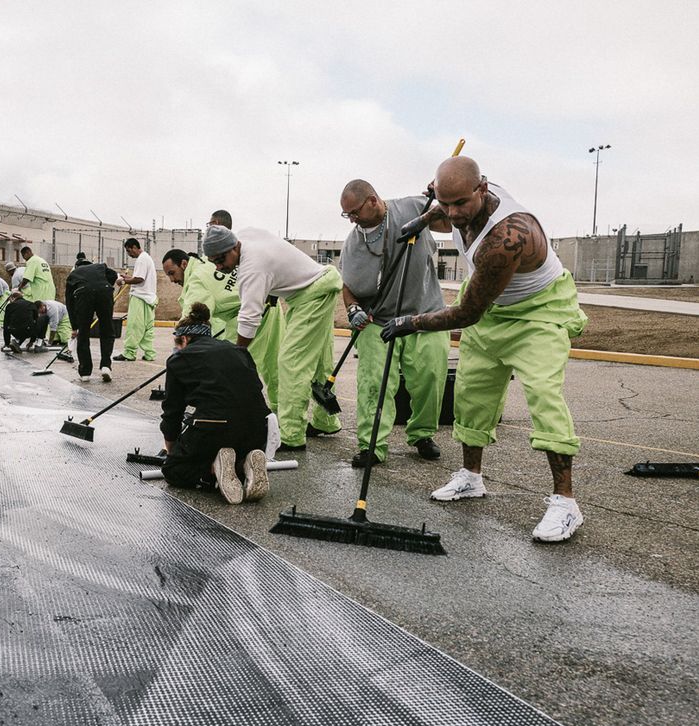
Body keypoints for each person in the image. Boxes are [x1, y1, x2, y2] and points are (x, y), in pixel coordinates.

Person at [382, 156, 589, 542]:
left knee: (544, 397)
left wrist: (410, 322)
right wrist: (422, 219)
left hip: (537, 313)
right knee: (471, 395)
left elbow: (467, 313)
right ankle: (471, 478)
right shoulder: (454, 204)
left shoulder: (508, 236)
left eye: (461, 203)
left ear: (482, 188)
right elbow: (444, 211)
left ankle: (565, 504)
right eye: (446, 203)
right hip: (493, 312)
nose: (453, 214)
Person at [339, 180, 450, 468]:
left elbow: (451, 224)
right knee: (373, 382)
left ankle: (422, 434)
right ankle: (371, 445)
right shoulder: (354, 241)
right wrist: (353, 310)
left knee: (430, 377)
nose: (351, 219)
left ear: (373, 201)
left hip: (425, 314)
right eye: (346, 215)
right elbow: (348, 286)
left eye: (354, 212)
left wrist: (444, 197)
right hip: (379, 320)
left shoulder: (414, 207)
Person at [203, 224, 342, 452]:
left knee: (291, 362)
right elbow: (275, 256)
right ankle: (326, 421)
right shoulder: (246, 235)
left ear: (234, 246)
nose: (220, 266)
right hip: (315, 286)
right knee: (318, 361)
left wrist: (238, 353)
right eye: (214, 262)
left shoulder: (252, 268)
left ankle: (292, 435)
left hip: (311, 295)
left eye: (221, 259)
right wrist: (272, 289)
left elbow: (249, 319)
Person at [160, 303, 270, 505]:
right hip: (257, 427)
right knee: (229, 432)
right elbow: (254, 388)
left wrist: (172, 449)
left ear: (184, 339)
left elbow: (172, 411)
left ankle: (213, 466)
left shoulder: (179, 359)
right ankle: (243, 463)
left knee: (174, 472)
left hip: (216, 425)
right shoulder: (239, 351)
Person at [203, 209, 284, 413]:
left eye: (213, 225)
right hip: (253, 310)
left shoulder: (245, 254)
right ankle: (261, 414)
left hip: (258, 312)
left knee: (251, 368)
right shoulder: (215, 256)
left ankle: (248, 415)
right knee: (264, 367)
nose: (219, 266)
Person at [65, 260, 118, 382]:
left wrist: (74, 326)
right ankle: (106, 366)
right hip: (104, 291)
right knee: (107, 330)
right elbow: (114, 275)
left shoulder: (73, 274)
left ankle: (85, 372)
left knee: (83, 334)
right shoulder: (100, 266)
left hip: (83, 294)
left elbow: (69, 303)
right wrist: (105, 285)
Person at [113, 238, 157, 362]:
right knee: (147, 328)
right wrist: (129, 278)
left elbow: (139, 279)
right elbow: (139, 278)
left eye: (128, 251)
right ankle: (150, 353)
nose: (128, 254)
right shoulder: (147, 258)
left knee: (134, 326)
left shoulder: (141, 259)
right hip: (149, 298)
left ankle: (129, 353)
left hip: (140, 297)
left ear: (134, 247)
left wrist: (123, 280)